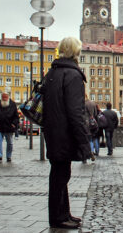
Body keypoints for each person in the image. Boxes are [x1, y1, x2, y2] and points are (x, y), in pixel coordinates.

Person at [42, 37, 91, 229]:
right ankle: (58, 217)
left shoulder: (53, 72)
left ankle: (64, 213)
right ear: (76, 53)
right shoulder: (73, 75)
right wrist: (84, 141)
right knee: (61, 176)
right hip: (65, 132)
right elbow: (75, 111)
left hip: (52, 130)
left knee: (59, 172)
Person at [0, 92, 19, 162]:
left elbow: (16, 116)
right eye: (3, 97)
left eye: (5, 97)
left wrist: (14, 123)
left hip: (9, 127)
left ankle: (8, 156)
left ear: (8, 97)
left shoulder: (13, 104)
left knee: (10, 143)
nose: (4, 99)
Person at [84, 96, 100, 161]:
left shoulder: (83, 104)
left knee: (85, 140)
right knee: (92, 139)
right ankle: (93, 151)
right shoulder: (93, 103)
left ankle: (85, 156)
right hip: (92, 123)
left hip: (85, 123)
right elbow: (96, 114)